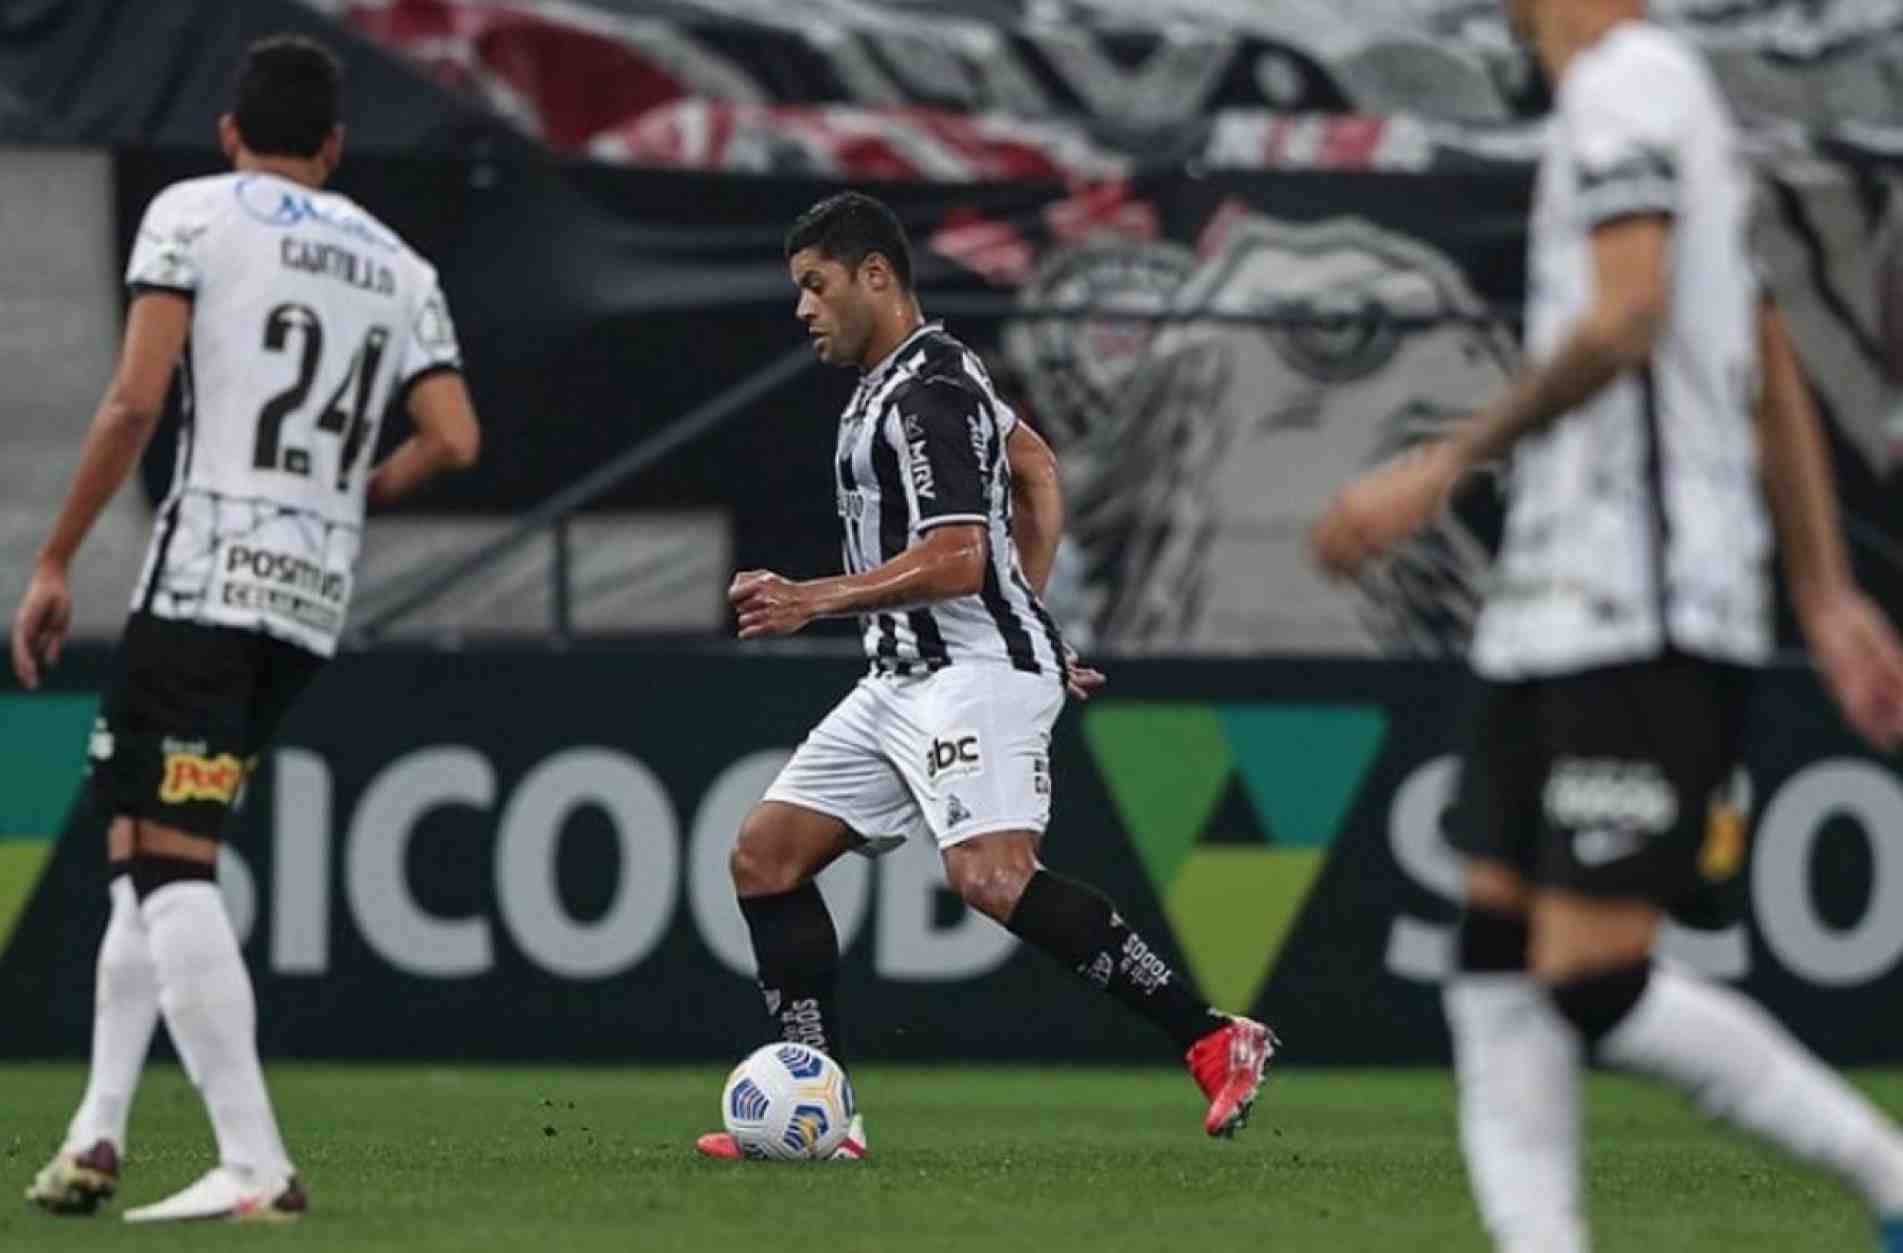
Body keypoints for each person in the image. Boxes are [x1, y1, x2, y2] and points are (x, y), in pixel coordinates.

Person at [1311, 2, 1903, 1250]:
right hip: (1551, 608)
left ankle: (1889, 1174)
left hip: (1637, 601)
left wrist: (1441, 463)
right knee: (1492, 945)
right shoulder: (1650, 94)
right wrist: (1824, 588)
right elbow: (1756, 336)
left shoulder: (1626, 86)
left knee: (1590, 974)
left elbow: (1629, 313)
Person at [695, 191, 1274, 1160]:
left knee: (990, 875)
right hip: (906, 674)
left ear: (873, 275)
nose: (802, 309)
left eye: (814, 285)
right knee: (765, 856)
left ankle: (1213, 1035)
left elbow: (960, 556)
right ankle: (830, 1116)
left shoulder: (925, 393)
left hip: (965, 670)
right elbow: (1036, 466)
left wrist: (817, 599)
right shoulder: (926, 373)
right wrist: (1029, 610)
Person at [13, 35, 479, 1223]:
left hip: (207, 579)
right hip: (308, 601)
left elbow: (134, 398)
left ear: (231, 132)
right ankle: (97, 1133)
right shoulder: (400, 265)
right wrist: (357, 488)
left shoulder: (193, 212)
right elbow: (456, 437)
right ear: (332, 147)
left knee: (168, 862)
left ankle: (255, 1161)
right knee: (145, 847)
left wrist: (57, 557)